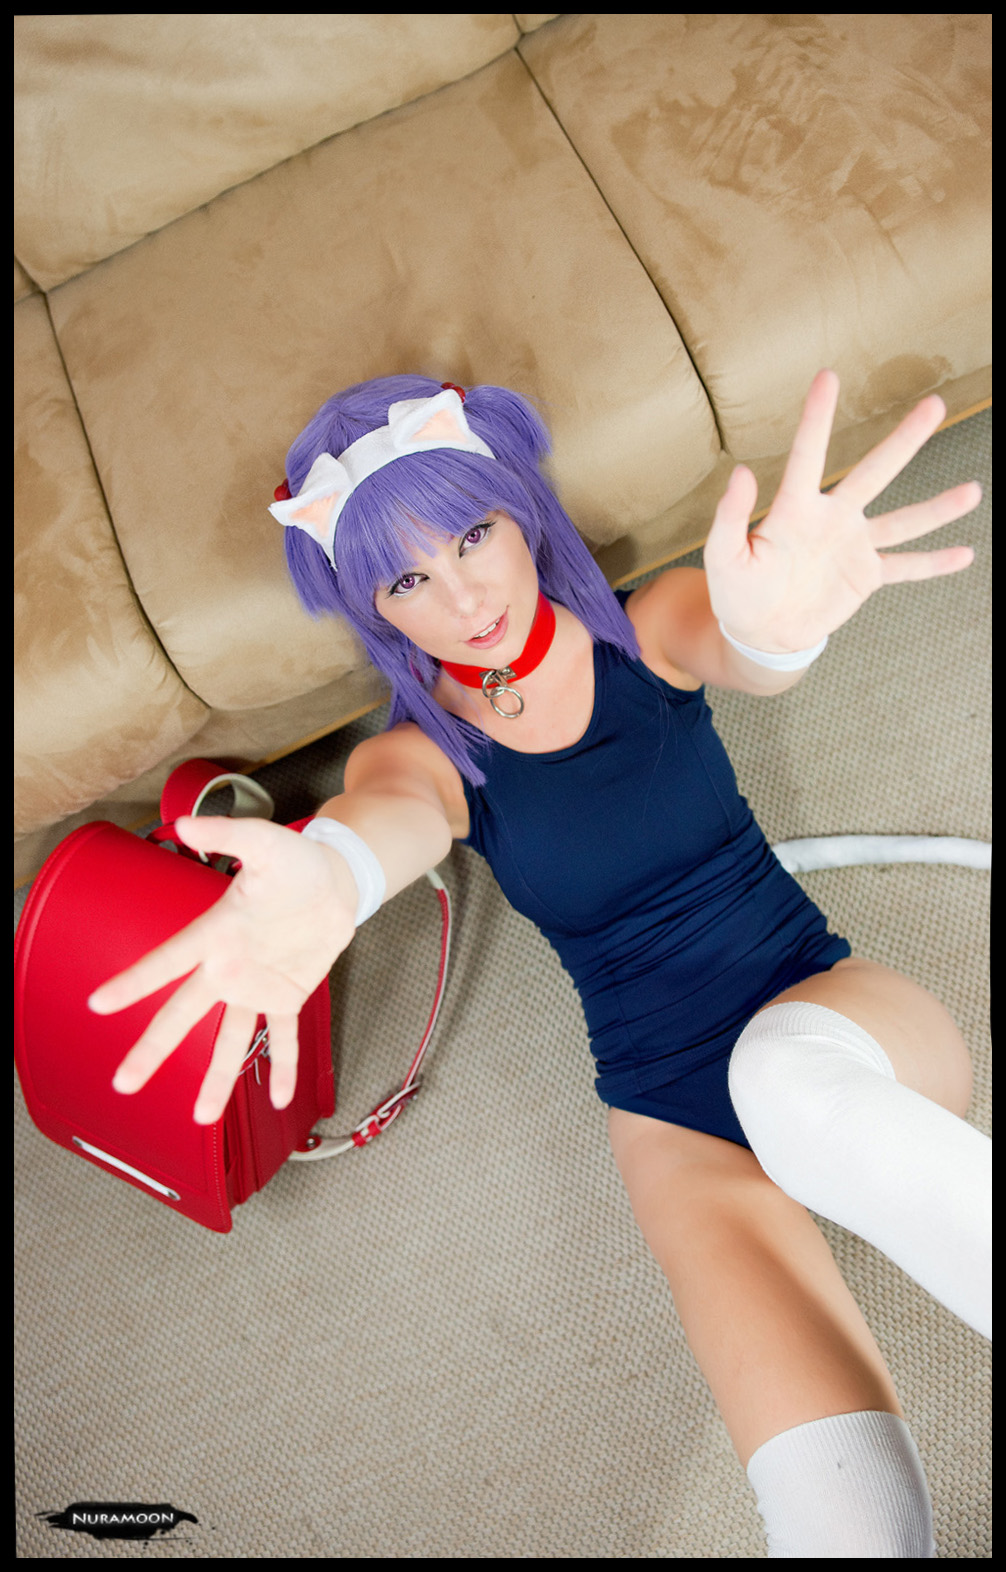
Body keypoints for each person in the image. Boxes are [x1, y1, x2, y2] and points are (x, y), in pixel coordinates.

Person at [89, 369, 990, 1557]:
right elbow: (389, 814)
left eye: (472, 535)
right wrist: (336, 872)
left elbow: (743, 645)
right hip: (668, 1113)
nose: (463, 597)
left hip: (831, 1017)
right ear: (376, 612)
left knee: (782, 1080)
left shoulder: (648, 628)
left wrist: (781, 628)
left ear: (521, 514)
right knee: (848, 1523)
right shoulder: (422, 757)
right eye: (408, 580)